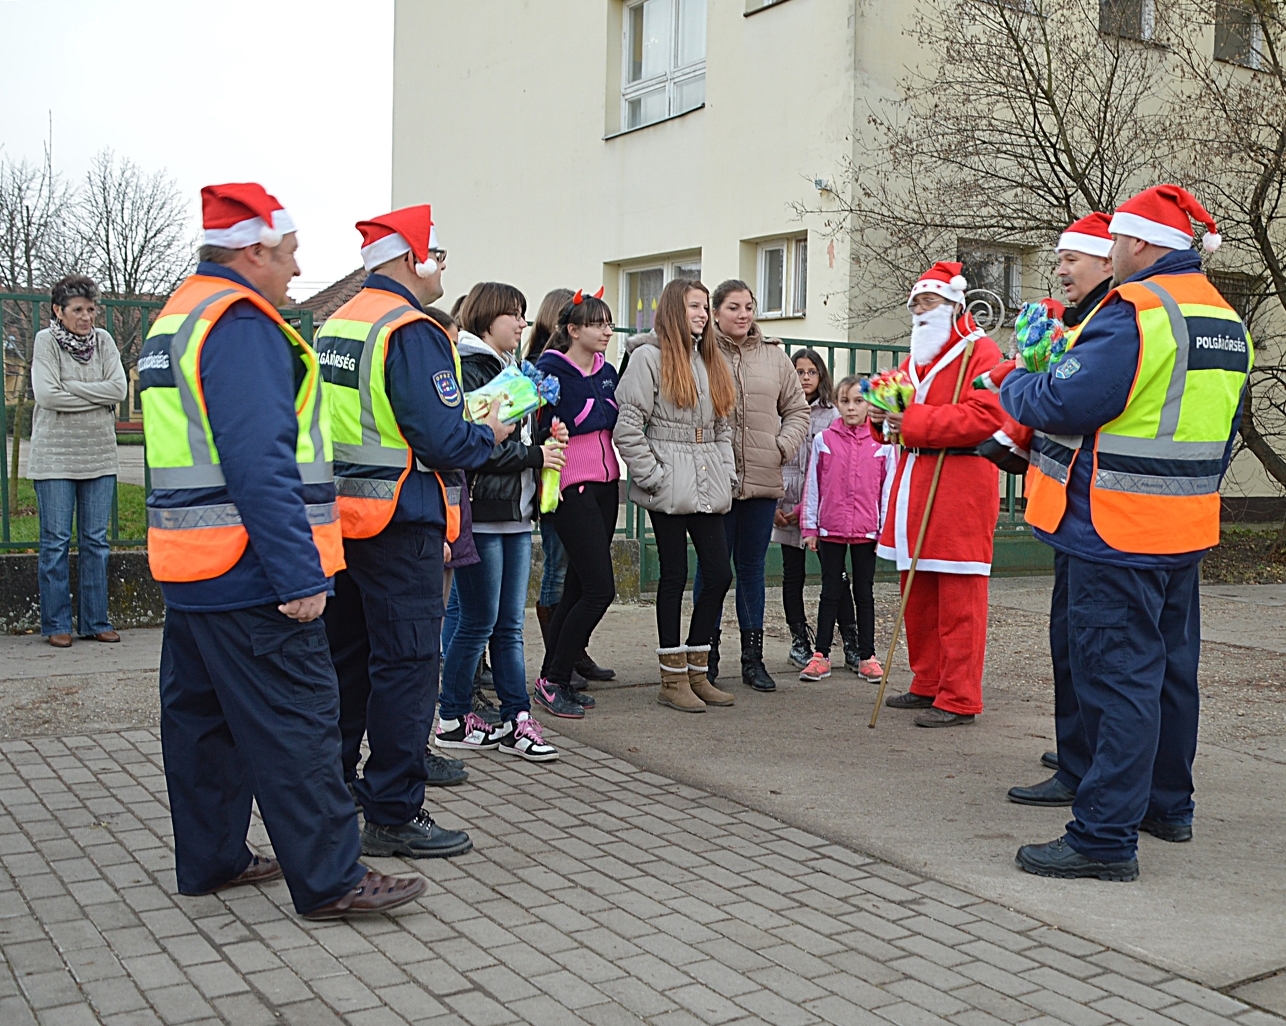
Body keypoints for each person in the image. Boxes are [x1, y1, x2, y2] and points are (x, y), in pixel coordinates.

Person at [141, 182, 424, 918]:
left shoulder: (180, 314)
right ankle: (332, 880)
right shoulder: (240, 322)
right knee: (298, 721)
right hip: (252, 567)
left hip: (191, 565)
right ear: (254, 251)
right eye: (290, 253)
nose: (298, 269)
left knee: (202, 723)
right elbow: (259, 462)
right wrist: (299, 574)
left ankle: (213, 858)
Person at [1004, 185, 1249, 881]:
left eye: (1115, 240)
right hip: (1183, 524)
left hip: (1114, 528)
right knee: (1169, 674)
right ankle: (1168, 807)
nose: (1109, 252)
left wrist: (1017, 379)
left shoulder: (1134, 309)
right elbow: (1225, 425)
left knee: (1119, 681)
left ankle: (1104, 838)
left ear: (1139, 243)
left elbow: (1065, 400)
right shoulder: (1223, 316)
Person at [316, 205, 508, 857]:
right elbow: (442, 438)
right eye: (438, 254)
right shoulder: (412, 329)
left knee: (347, 663)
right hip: (401, 521)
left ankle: (337, 789)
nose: (444, 266)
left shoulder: (339, 323)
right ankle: (393, 811)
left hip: (343, 519)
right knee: (406, 668)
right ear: (410, 260)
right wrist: (490, 433)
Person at [991, 213, 1116, 809]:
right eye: (1059, 259)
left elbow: (1059, 405)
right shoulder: (1083, 321)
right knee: (1076, 650)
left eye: (1071, 259)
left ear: (1108, 260)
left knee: (1087, 654)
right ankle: (1080, 753)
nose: (1060, 270)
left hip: (1098, 517)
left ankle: (1082, 769)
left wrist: (1019, 375)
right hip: (1076, 511)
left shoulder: (1110, 325)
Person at [435, 282, 566, 754]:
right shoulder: (470, 367)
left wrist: (543, 444)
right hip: (484, 512)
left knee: (509, 625)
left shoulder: (510, 367)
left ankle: (517, 720)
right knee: (477, 623)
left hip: (517, 512)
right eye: (513, 314)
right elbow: (477, 446)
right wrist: (534, 456)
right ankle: (451, 717)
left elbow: (511, 438)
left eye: (524, 314)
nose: (522, 323)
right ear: (487, 316)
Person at [872, 261, 1004, 727]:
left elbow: (986, 417)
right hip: (914, 482)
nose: (921, 312)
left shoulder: (981, 352)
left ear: (953, 305)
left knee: (959, 597)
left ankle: (960, 696)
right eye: (916, 305)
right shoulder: (916, 359)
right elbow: (896, 421)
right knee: (919, 593)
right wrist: (882, 418)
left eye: (930, 303)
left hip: (960, 485)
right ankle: (927, 680)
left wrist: (911, 421)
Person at [614, 279, 738, 712]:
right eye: (694, 306)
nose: (702, 314)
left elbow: (723, 427)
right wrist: (653, 476)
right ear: (673, 310)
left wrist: (727, 472)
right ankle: (671, 678)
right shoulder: (648, 357)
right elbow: (628, 427)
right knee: (674, 575)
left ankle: (697, 670)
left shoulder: (710, 358)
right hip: (669, 477)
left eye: (705, 307)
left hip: (707, 473)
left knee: (719, 573)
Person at [699, 280, 809, 692]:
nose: (743, 314)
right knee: (712, 570)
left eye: (749, 306)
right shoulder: (701, 352)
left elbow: (797, 409)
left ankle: (752, 659)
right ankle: (704, 656)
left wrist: (781, 448)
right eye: (733, 307)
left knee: (752, 570)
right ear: (715, 312)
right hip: (716, 481)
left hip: (762, 481)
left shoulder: (774, 356)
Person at [533, 290, 621, 713]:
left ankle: (554, 675)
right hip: (572, 486)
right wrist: (551, 431)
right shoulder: (548, 372)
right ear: (573, 329)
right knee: (600, 589)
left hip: (608, 485)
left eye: (609, 324)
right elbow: (534, 427)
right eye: (598, 324)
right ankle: (554, 680)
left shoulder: (608, 372)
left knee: (579, 586)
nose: (607, 331)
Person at [29, 275, 128, 648]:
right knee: (55, 543)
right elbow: (47, 395)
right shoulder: (46, 341)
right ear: (59, 310)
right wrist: (96, 396)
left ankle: (95, 620)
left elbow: (119, 389)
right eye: (77, 310)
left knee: (95, 542)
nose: (86, 317)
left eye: (91, 309)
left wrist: (70, 386)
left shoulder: (104, 341)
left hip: (99, 455)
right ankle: (56, 624)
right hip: (55, 458)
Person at [798, 375, 892, 682]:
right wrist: (810, 527)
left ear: (869, 405)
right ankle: (821, 654)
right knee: (830, 591)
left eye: (858, 401)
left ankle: (867, 656)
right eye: (845, 401)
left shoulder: (883, 444)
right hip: (831, 527)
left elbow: (888, 490)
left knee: (864, 592)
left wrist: (884, 530)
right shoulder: (824, 440)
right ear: (836, 404)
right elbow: (813, 485)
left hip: (867, 530)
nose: (851, 408)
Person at [773, 349, 849, 669]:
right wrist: (775, 504)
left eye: (811, 372)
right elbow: (768, 459)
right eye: (799, 372)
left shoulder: (832, 415)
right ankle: (799, 639)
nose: (805, 378)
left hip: (821, 507)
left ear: (821, 376)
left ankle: (851, 637)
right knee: (793, 575)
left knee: (836, 574)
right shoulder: (777, 411)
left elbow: (835, 467)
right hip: (784, 504)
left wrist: (807, 507)